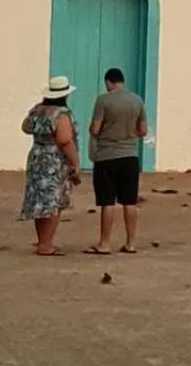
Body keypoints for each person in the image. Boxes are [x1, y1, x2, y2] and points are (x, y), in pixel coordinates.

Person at [86, 67, 148, 255]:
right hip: (130, 155)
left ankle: (104, 243)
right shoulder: (137, 100)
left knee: (107, 201)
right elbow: (143, 130)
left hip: (107, 156)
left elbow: (95, 129)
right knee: (129, 201)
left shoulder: (103, 100)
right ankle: (131, 242)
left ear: (108, 82)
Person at [20, 76, 82, 256]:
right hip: (54, 160)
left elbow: (25, 127)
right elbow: (64, 140)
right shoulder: (61, 114)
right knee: (53, 201)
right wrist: (75, 163)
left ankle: (42, 240)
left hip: (37, 156)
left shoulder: (38, 110)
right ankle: (46, 243)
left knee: (40, 200)